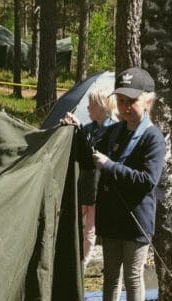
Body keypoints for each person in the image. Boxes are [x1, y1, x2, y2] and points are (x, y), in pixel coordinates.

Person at [78, 67, 165, 301]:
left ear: (147, 101)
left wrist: (111, 166)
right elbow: (90, 155)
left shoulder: (152, 137)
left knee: (133, 277)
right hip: (111, 218)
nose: (126, 107)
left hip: (136, 221)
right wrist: (75, 133)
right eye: (122, 101)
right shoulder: (113, 130)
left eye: (132, 101)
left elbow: (147, 180)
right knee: (110, 275)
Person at [61, 85, 117, 264]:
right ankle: (73, 259)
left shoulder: (114, 130)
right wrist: (74, 128)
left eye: (91, 104)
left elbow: (96, 153)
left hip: (99, 187)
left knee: (89, 230)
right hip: (84, 183)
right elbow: (82, 151)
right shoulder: (89, 129)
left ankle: (82, 264)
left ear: (101, 106)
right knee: (78, 224)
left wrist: (80, 127)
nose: (88, 108)